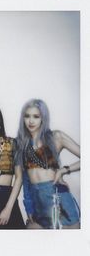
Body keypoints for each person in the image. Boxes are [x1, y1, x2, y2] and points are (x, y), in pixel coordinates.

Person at [16, 98, 80, 229]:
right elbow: (25, 181)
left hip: (57, 197)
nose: (31, 121)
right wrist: (28, 207)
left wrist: (64, 170)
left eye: (36, 116)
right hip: (37, 201)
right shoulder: (21, 144)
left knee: (70, 243)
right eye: (27, 116)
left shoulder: (56, 137)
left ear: (43, 118)